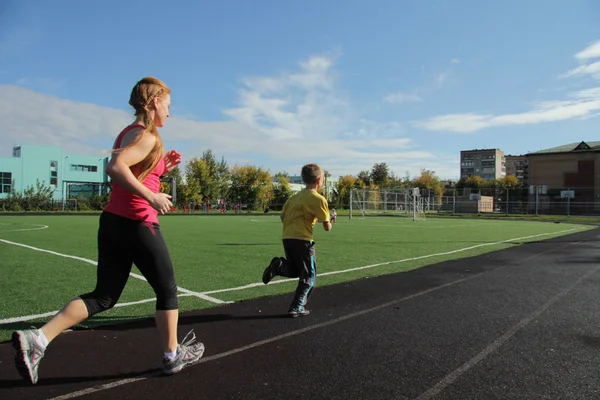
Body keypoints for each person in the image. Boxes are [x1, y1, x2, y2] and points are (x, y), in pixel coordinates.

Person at [12, 77, 205, 385]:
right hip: (138, 223)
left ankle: (38, 339)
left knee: (104, 296)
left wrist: (160, 168)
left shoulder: (129, 133)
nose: (170, 113)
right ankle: (172, 356)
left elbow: (130, 168)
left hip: (113, 222)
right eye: (168, 105)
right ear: (154, 102)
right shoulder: (147, 136)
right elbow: (116, 167)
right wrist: (153, 196)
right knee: (167, 290)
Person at [262, 163, 332, 317]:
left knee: (295, 269)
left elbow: (282, 216)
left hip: (287, 237)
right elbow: (327, 227)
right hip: (304, 240)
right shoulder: (318, 199)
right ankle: (297, 306)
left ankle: (279, 266)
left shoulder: (293, 198)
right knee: (309, 276)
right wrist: (330, 220)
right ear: (320, 180)